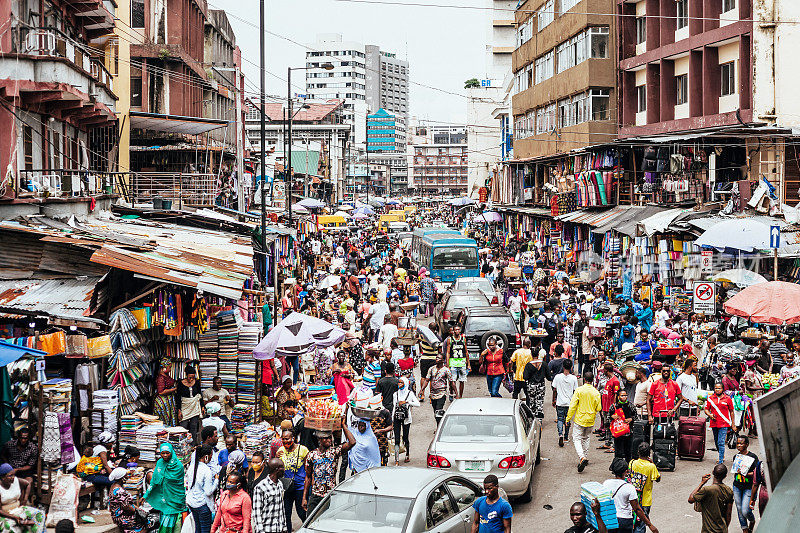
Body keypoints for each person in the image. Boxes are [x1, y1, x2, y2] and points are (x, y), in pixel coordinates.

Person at [302, 415, 357, 515]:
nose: (329, 440)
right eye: (326, 438)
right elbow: (308, 477)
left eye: (330, 438)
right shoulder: (312, 455)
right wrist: (304, 497)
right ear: (319, 440)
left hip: (330, 495)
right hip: (315, 495)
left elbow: (352, 442)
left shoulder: (334, 452)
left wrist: (343, 425)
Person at [603, 458, 659, 533]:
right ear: (626, 471)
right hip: (624, 521)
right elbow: (637, 509)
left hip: (611, 518)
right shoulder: (629, 488)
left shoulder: (606, 483)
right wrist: (650, 525)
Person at [144, 442, 187, 533]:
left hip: (175, 498)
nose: (165, 455)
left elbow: (179, 484)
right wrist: (146, 495)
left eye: (167, 453)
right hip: (164, 498)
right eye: (162, 453)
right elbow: (154, 481)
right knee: (165, 518)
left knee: (174, 521)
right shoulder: (160, 463)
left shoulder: (178, 466)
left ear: (171, 452)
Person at [566, 371, 602, 472]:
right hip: (590, 420)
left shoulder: (579, 390)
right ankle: (585, 456)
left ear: (584, 379)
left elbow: (573, 406)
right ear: (592, 380)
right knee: (586, 438)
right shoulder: (596, 392)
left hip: (580, 419)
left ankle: (582, 457)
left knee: (577, 438)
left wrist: (568, 418)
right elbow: (599, 408)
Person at [276, 429, 308, 531]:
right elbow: (276, 468)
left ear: (293, 438)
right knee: (286, 513)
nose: (285, 441)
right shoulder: (281, 450)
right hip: (288, 487)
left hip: (300, 487)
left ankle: (307, 528)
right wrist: (277, 458)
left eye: (287, 439)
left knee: (301, 511)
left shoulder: (303, 450)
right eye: (283, 439)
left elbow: (309, 469)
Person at [689, 464, 734, 533]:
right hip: (722, 529)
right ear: (725, 476)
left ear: (713, 472)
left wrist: (702, 483)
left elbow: (691, 499)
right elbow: (728, 513)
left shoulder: (706, 490)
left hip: (708, 530)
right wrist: (725, 528)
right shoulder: (729, 490)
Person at [0, 463, 45, 533]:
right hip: (6, 514)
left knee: (39, 514)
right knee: (8, 526)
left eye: (13, 475)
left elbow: (27, 484)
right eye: (10, 476)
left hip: (18, 508)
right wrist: (14, 517)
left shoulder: (15, 480)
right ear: (2, 477)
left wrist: (25, 499)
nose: (13, 477)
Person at [185, 445, 218, 533]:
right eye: (211, 455)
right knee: (205, 530)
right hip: (203, 505)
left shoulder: (191, 467)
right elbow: (208, 492)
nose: (212, 458)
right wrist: (216, 481)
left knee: (197, 529)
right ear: (206, 456)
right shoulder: (207, 470)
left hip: (192, 503)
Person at [628, 443, 660, 533]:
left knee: (632, 521)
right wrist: (652, 463)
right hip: (645, 500)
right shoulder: (651, 466)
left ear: (638, 452)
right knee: (641, 523)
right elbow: (658, 478)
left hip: (632, 498)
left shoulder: (632, 463)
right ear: (649, 453)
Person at [730, 436, 758, 533]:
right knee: (739, 508)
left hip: (749, 487)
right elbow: (735, 471)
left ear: (747, 444)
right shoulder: (736, 457)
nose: (739, 445)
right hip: (737, 486)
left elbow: (757, 472)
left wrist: (746, 473)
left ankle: (752, 521)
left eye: (741, 443)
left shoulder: (753, 457)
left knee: (745, 510)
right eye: (738, 443)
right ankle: (745, 529)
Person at [251, 459, 287, 533]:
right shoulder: (260, 487)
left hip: (279, 528)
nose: (284, 470)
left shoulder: (280, 484)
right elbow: (257, 513)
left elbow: (281, 508)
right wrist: (260, 531)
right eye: (283, 468)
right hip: (267, 529)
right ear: (277, 470)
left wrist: (284, 527)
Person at [704, 381, 736, 464]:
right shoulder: (710, 398)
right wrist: (710, 415)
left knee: (721, 442)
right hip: (714, 423)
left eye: (719, 388)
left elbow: (732, 411)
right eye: (716, 388)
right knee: (716, 441)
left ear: (723, 389)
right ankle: (721, 454)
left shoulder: (727, 399)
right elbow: (706, 409)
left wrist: (733, 424)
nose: (717, 390)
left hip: (724, 423)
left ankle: (721, 459)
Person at [391, 377, 420, 465]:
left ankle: (407, 454)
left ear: (406, 384)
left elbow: (417, 404)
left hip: (406, 418)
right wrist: (392, 419)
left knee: (405, 437)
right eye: (399, 382)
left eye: (401, 383)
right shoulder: (395, 394)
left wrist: (407, 402)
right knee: (396, 439)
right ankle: (396, 458)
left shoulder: (410, 394)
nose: (399, 384)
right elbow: (394, 407)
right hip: (396, 418)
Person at [419, 354, 453, 426]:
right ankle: (440, 424)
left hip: (442, 393)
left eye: (439, 358)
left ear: (443, 360)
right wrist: (422, 390)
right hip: (433, 394)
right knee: (435, 412)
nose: (437, 359)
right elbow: (427, 380)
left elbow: (451, 382)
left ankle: (439, 427)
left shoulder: (446, 370)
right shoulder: (431, 369)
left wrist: (455, 393)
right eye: (436, 358)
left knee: (438, 410)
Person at [108, 468, 144, 533]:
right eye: (126, 475)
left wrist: (138, 509)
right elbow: (126, 506)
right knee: (148, 522)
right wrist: (138, 511)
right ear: (122, 478)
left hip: (120, 515)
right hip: (121, 517)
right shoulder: (119, 491)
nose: (128, 477)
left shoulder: (115, 486)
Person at [552, 358, 578, 447]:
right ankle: (566, 436)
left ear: (563, 367)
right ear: (571, 367)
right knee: (567, 419)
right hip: (569, 403)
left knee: (560, 419)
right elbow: (575, 391)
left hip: (560, 402)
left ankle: (560, 434)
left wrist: (553, 400)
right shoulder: (574, 378)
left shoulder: (557, 377)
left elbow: (554, 389)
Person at [522, 343, 551, 416]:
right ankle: (540, 420)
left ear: (531, 355)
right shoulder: (543, 364)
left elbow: (525, 377)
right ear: (538, 354)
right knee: (540, 403)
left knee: (532, 403)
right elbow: (549, 377)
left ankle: (532, 419)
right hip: (541, 385)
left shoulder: (528, 365)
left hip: (531, 385)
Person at [178, 365, 204, 445]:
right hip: (185, 406)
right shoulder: (181, 383)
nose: (191, 379)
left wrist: (202, 406)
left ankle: (193, 445)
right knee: (183, 426)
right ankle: (183, 444)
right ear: (186, 375)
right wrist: (179, 410)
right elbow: (178, 397)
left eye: (193, 377)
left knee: (194, 426)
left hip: (195, 407)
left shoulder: (196, 383)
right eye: (190, 377)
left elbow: (200, 395)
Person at [611, 390, 637, 463]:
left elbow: (636, 417)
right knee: (618, 452)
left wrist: (631, 419)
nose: (624, 397)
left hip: (628, 432)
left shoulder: (631, 406)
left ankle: (628, 468)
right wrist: (612, 416)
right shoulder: (614, 406)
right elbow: (607, 418)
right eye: (622, 395)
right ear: (618, 397)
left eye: (625, 395)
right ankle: (617, 467)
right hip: (618, 433)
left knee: (628, 452)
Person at [445, 324, 469, 400]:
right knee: (452, 380)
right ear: (453, 331)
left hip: (462, 362)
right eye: (455, 330)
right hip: (453, 362)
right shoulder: (450, 340)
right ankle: (455, 393)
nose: (457, 331)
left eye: (458, 329)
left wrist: (468, 364)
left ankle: (460, 396)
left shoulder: (463, 339)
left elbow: (466, 351)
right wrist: (448, 364)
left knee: (462, 380)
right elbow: (448, 352)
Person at [154, 362, 178, 427]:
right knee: (165, 421)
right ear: (164, 368)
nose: (170, 369)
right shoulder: (161, 378)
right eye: (169, 367)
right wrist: (175, 389)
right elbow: (161, 391)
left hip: (168, 401)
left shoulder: (166, 376)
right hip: (163, 402)